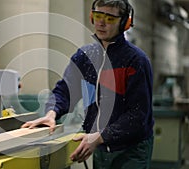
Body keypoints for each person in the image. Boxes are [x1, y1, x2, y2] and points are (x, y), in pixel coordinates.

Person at [21, 0, 154, 168]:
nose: (101, 22)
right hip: (100, 146)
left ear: (125, 23)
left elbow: (137, 116)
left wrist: (99, 137)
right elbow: (65, 90)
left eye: (110, 18)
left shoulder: (136, 61)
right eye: (98, 15)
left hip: (131, 150)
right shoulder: (85, 56)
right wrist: (51, 113)